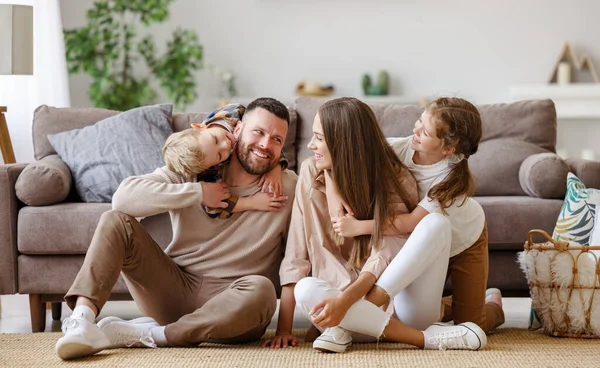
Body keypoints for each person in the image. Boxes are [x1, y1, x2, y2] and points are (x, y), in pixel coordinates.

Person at [55, 97, 298, 360]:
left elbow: (296, 256)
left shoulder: (288, 186)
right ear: (237, 130)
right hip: (175, 288)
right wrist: (198, 193)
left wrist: (284, 328)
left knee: (262, 290)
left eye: (277, 140)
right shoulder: (198, 165)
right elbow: (123, 199)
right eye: (259, 132)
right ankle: (81, 322)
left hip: (235, 305)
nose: (265, 145)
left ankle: (154, 335)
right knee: (115, 221)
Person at [263, 97, 486, 353]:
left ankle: (434, 328)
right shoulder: (318, 170)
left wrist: (349, 298)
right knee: (306, 289)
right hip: (342, 307)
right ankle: (375, 328)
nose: (310, 145)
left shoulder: (414, 179)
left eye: (319, 138)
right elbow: (296, 254)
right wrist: (284, 329)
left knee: (436, 226)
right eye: (419, 122)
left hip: (406, 281)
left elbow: (397, 237)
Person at [330, 97, 505, 345]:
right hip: (425, 244)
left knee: (471, 323)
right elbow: (338, 164)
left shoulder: (449, 180)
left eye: (425, 131)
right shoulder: (398, 149)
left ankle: (494, 305)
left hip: (464, 240)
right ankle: (443, 308)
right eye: (419, 121)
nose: (415, 130)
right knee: (420, 309)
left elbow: (411, 222)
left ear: (447, 149)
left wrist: (359, 227)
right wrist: (336, 196)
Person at [162, 103, 289, 218]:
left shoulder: (234, 112)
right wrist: (252, 203)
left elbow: (268, 136)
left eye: (215, 139)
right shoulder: (208, 169)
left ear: (200, 127)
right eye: (219, 155)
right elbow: (216, 207)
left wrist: (276, 167)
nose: (226, 145)